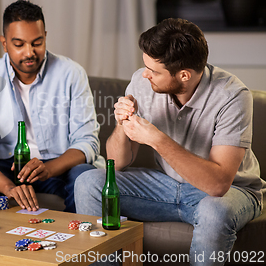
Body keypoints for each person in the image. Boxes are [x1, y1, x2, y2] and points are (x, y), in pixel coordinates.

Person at [75, 18, 265, 265]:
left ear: (184, 75)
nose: (145, 75)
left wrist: (156, 139)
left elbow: (218, 185)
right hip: (167, 186)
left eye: (153, 71)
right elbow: (116, 163)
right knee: (89, 182)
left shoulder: (232, 97)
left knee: (213, 212)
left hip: (231, 192)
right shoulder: (143, 83)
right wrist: (122, 124)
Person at [0, 0, 102, 213]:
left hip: (56, 164)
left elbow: (88, 142)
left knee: (85, 176)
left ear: (45, 37)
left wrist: (48, 169)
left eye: (37, 43)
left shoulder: (71, 74)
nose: (29, 52)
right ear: (4, 43)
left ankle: (78, 244)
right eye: (19, 45)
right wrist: (8, 188)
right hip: (4, 166)